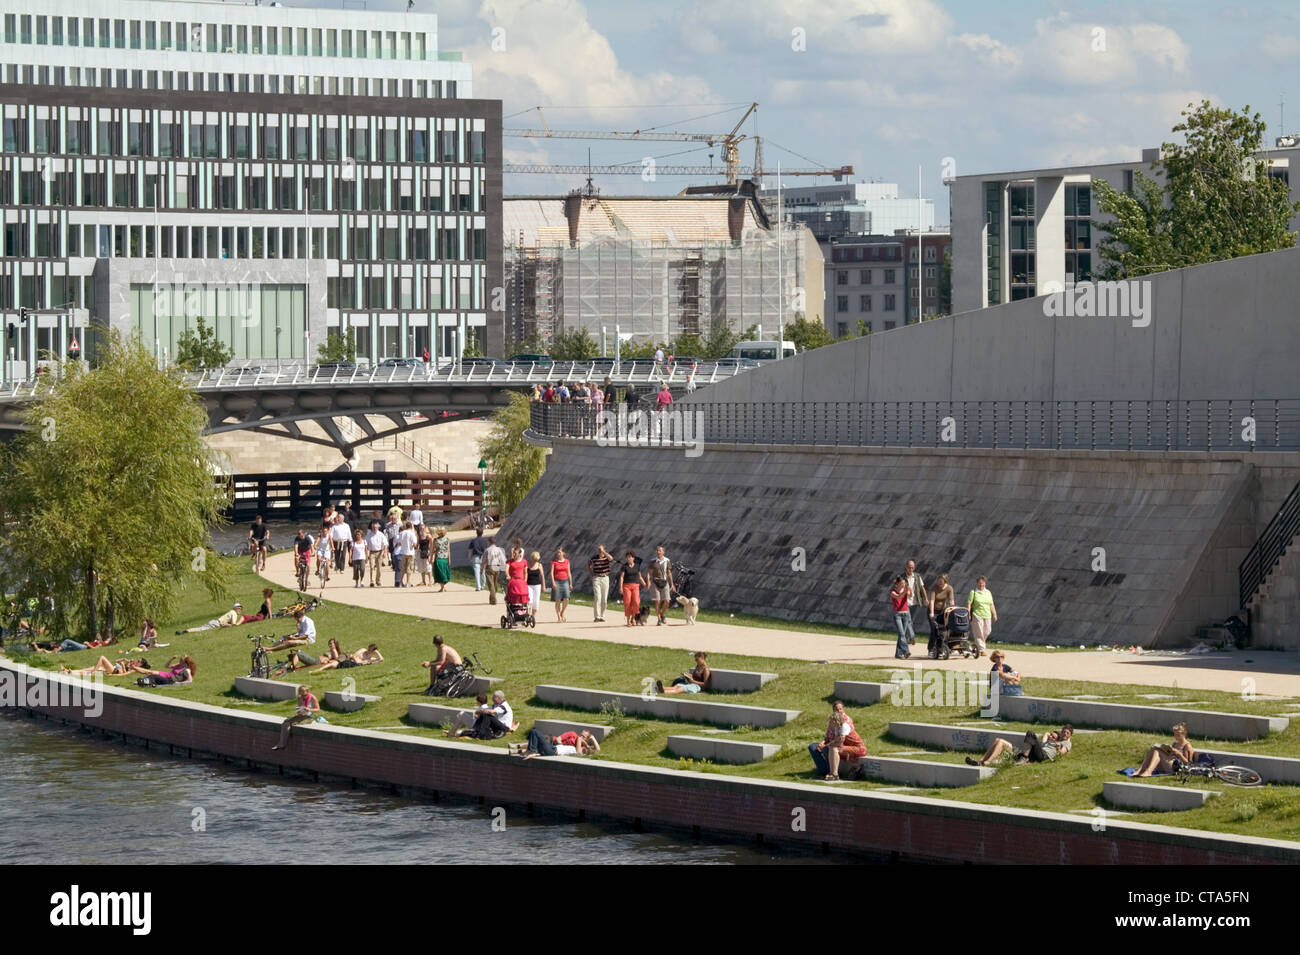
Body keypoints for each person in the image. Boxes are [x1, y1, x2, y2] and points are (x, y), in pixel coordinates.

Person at [809, 701, 867, 781]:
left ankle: (834, 774)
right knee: (815, 747)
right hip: (844, 746)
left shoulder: (844, 725)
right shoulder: (837, 727)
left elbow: (840, 741)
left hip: (858, 748)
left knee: (832, 748)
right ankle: (829, 772)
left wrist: (828, 745)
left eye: (840, 709)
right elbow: (832, 738)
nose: (831, 724)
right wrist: (824, 743)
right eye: (836, 709)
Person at [968, 725, 1073, 766]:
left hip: (1043, 756)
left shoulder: (1066, 743)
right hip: (1034, 753)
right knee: (999, 741)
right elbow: (1045, 737)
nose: (1064, 734)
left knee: (1030, 733)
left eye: (1067, 733)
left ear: (1070, 735)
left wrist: (1059, 747)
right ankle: (981, 761)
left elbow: (1062, 752)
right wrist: (1049, 736)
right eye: (1063, 732)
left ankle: (1024, 757)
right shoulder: (1048, 742)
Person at [272, 684, 321, 750]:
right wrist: (299, 712)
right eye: (302, 695)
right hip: (302, 716)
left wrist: (309, 709)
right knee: (285, 722)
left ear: (308, 692)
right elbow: (300, 708)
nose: (303, 697)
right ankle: (281, 744)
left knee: (289, 723)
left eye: (305, 695)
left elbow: (318, 709)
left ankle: (282, 744)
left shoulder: (313, 698)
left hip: (309, 717)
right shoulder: (300, 697)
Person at [453, 690, 517, 740]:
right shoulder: (496, 705)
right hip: (498, 726)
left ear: (499, 698)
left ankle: (481, 734)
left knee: (487, 714)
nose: (492, 699)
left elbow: (492, 711)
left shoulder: (504, 706)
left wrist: (481, 711)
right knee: (484, 714)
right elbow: (486, 709)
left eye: (494, 697)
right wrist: (479, 712)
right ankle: (478, 731)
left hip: (504, 727)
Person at [516, 728, 600, 759]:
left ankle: (530, 750)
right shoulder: (575, 739)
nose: (580, 737)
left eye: (583, 736)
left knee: (534, 732)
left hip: (553, 750)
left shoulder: (580, 751)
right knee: (534, 732)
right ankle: (529, 751)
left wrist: (592, 738)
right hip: (552, 747)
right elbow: (560, 739)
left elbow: (597, 750)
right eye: (580, 735)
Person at [967, 575, 997, 657]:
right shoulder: (973, 592)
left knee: (987, 631)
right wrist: (968, 613)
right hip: (977, 614)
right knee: (979, 632)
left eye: (983, 583)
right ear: (977, 583)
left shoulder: (988, 592)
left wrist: (994, 614)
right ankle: (981, 649)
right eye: (980, 583)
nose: (981, 585)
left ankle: (977, 644)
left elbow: (991, 604)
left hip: (987, 615)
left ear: (985, 584)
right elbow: (969, 604)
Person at [647, 545, 674, 626]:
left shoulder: (667, 561)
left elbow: (669, 573)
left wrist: (671, 584)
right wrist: (648, 581)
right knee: (657, 601)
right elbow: (649, 573)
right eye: (657, 550)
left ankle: (662, 614)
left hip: (664, 582)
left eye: (660, 551)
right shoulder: (653, 561)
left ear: (663, 552)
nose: (658, 552)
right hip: (655, 582)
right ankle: (659, 619)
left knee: (667, 601)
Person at [618, 550, 646, 627]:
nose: (628, 559)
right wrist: (620, 587)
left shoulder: (637, 566)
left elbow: (640, 577)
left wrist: (644, 584)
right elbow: (621, 577)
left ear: (633, 558)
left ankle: (633, 618)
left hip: (635, 585)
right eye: (627, 557)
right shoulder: (624, 566)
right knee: (627, 603)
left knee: (636, 602)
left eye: (630, 557)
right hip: (626, 586)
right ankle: (628, 621)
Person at [313, 643, 382, 673]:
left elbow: (381, 659)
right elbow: (354, 655)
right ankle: (320, 669)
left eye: (371, 650)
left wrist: (377, 652)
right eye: (369, 649)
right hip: (348, 657)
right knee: (335, 662)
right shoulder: (363, 650)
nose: (368, 650)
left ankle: (321, 669)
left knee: (334, 664)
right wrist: (359, 662)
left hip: (351, 662)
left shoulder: (371, 659)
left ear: (373, 651)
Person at [587, 544, 613, 622]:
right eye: (598, 549)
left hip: (605, 578)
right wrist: (591, 574)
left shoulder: (606, 557)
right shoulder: (594, 558)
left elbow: (611, 558)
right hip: (597, 578)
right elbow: (588, 565)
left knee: (604, 599)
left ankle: (602, 616)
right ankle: (597, 616)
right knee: (598, 597)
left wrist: (604, 552)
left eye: (600, 549)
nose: (599, 551)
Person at [890, 576, 913, 659]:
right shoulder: (892, 591)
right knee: (902, 634)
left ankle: (898, 654)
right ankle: (906, 651)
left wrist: (909, 591)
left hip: (906, 614)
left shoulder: (905, 590)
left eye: (904, 583)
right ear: (898, 583)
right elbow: (898, 597)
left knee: (902, 635)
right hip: (897, 615)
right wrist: (905, 591)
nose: (904, 584)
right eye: (902, 583)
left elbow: (910, 596)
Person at [177, 604, 243, 634]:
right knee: (200, 629)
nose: (240, 609)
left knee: (200, 628)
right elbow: (234, 625)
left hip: (215, 622)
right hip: (216, 624)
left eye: (240, 608)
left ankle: (184, 631)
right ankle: (183, 632)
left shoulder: (231, 612)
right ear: (234, 608)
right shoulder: (234, 613)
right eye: (238, 608)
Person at [549, 546, 571, 622]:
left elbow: (569, 573)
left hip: (565, 581)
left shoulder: (567, 561)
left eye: (560, 552)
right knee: (557, 600)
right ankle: (558, 617)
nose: (558, 554)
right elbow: (551, 573)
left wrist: (570, 583)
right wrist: (553, 583)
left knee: (567, 599)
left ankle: (562, 612)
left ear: (563, 553)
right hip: (557, 581)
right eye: (557, 552)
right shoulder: (554, 562)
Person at [904, 559, 927, 631]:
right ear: (906, 567)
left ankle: (905, 638)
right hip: (905, 602)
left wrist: (925, 598)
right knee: (908, 620)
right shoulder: (902, 577)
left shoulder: (917, 576)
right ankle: (911, 637)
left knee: (909, 621)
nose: (910, 569)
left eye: (912, 567)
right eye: (909, 567)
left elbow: (922, 588)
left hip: (915, 602)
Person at [484, 536, 508, 605]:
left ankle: (493, 599)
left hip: (490, 567)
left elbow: (484, 560)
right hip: (497, 567)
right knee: (495, 583)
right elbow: (503, 559)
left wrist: (481, 567)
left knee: (491, 584)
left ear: (489, 542)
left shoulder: (487, 550)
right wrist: (504, 567)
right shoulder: (499, 550)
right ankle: (491, 599)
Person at [365, 521, 387, 587]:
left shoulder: (381, 534)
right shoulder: (369, 535)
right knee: (372, 567)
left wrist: (385, 552)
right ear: (372, 527)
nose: (374, 528)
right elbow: (365, 544)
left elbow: (385, 544)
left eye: (376, 527)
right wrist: (366, 554)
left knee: (379, 568)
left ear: (378, 527)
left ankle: (378, 580)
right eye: (373, 527)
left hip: (380, 552)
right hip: (372, 552)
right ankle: (372, 581)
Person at [432, 526, 452, 592]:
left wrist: (431, 557)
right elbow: (448, 550)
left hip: (438, 558)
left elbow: (433, 550)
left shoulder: (435, 540)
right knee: (444, 572)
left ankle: (442, 587)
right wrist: (449, 559)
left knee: (439, 573)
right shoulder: (447, 539)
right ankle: (443, 587)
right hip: (445, 558)